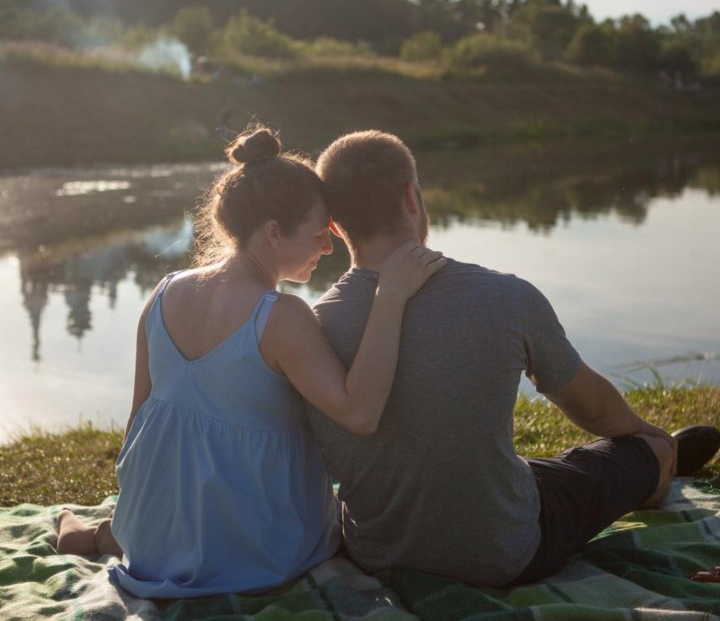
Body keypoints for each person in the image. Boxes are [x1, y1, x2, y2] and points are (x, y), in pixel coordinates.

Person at [304, 129, 720, 588]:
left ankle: (650, 460)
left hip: (377, 554)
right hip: (505, 554)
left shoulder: (308, 329)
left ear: (336, 225)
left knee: (531, 470)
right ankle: (665, 460)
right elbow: (595, 410)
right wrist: (646, 434)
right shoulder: (506, 297)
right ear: (411, 196)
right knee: (643, 448)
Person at [56, 126, 445, 598]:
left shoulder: (163, 292)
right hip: (257, 552)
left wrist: (143, 516)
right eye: (320, 235)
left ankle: (97, 534)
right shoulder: (280, 317)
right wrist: (391, 294)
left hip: (153, 538)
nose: (328, 249)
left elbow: (139, 423)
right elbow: (360, 415)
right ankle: (105, 533)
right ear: (273, 233)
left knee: (154, 500)